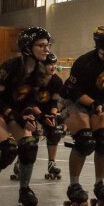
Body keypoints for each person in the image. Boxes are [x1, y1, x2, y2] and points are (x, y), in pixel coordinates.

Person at [61, 25, 104, 206]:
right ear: (101, 46)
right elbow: (73, 90)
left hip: (100, 100)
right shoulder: (84, 62)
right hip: (74, 99)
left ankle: (100, 184)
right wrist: (93, 104)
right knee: (84, 140)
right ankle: (74, 185)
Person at [0, 27, 52, 206]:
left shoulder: (39, 69)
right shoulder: (10, 66)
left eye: (47, 45)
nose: (46, 49)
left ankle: (24, 190)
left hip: (13, 110)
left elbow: (29, 100)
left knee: (28, 146)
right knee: (7, 149)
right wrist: (13, 115)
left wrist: (37, 115)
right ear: (28, 47)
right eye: (41, 45)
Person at [36, 52, 65, 180]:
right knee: (31, 138)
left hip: (47, 109)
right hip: (31, 109)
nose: (53, 67)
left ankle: (51, 163)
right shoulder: (34, 79)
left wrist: (53, 114)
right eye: (49, 64)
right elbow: (29, 102)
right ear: (42, 65)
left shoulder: (57, 81)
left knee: (54, 133)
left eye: (54, 64)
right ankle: (21, 161)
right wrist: (40, 116)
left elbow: (54, 101)